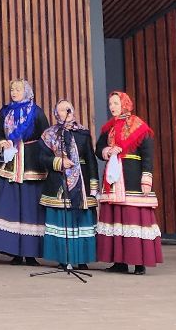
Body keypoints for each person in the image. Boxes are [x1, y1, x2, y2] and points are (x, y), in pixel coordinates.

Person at [96, 89, 162, 273]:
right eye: (110, 104)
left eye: (116, 103)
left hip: (132, 179)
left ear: (125, 104)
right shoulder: (108, 128)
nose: (112, 107)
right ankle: (120, 262)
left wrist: (146, 177)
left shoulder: (139, 126)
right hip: (114, 178)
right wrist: (108, 151)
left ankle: (139, 263)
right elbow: (98, 149)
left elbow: (147, 154)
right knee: (117, 218)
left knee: (133, 218)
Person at [0, 79, 48, 265]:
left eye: (18, 89)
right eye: (12, 89)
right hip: (10, 163)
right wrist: (1, 142)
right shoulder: (5, 111)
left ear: (27, 91)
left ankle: (30, 254)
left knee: (30, 208)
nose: (14, 92)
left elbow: (45, 135)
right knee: (10, 205)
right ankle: (14, 251)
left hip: (30, 164)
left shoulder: (36, 111)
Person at [38, 98, 97, 270]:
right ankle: (64, 259)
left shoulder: (83, 133)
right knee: (61, 220)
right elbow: (41, 158)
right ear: (57, 114)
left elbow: (91, 160)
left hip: (81, 184)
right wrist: (58, 162)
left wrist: (94, 185)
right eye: (63, 110)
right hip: (58, 183)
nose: (67, 112)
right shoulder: (49, 134)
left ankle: (82, 259)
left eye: (69, 109)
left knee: (81, 220)